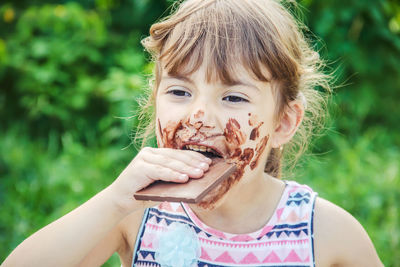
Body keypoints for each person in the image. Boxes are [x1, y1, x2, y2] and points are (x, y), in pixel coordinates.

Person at [2, 0, 383, 266]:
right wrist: (115, 201)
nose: (198, 116)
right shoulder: (137, 217)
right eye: (180, 92)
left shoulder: (322, 230)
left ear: (283, 122)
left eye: (233, 96)